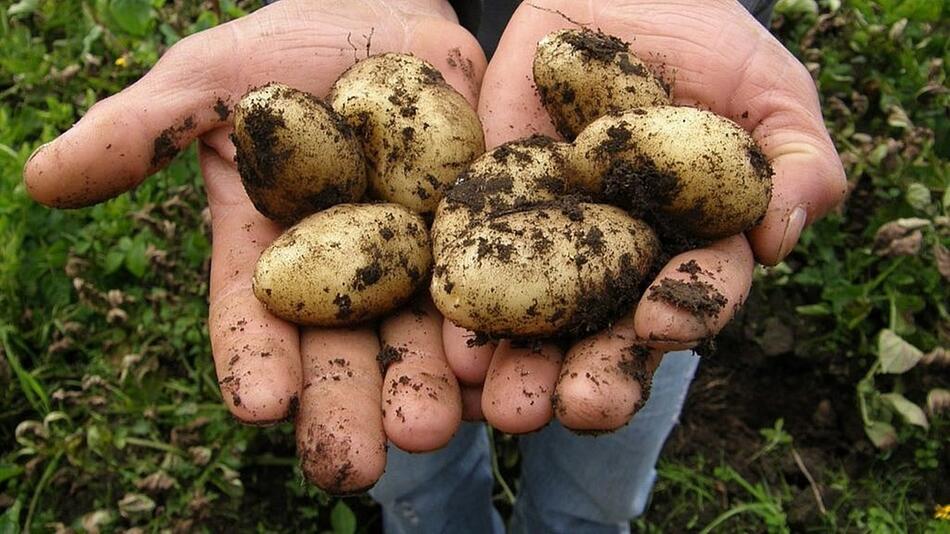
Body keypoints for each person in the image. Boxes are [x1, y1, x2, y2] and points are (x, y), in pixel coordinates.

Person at [23, 0, 845, 531]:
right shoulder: (416, 206)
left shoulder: (588, 177)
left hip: (630, 248)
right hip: (423, 91)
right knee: (413, 446)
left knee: (615, 410)